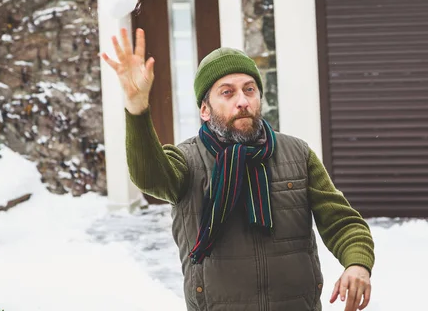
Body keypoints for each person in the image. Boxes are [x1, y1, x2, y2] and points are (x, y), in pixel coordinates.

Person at [100, 28, 375, 311]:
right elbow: (149, 176)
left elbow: (342, 222)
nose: (242, 101)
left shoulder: (297, 153)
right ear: (205, 110)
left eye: (249, 89)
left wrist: (357, 263)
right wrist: (137, 108)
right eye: (227, 93)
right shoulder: (187, 160)